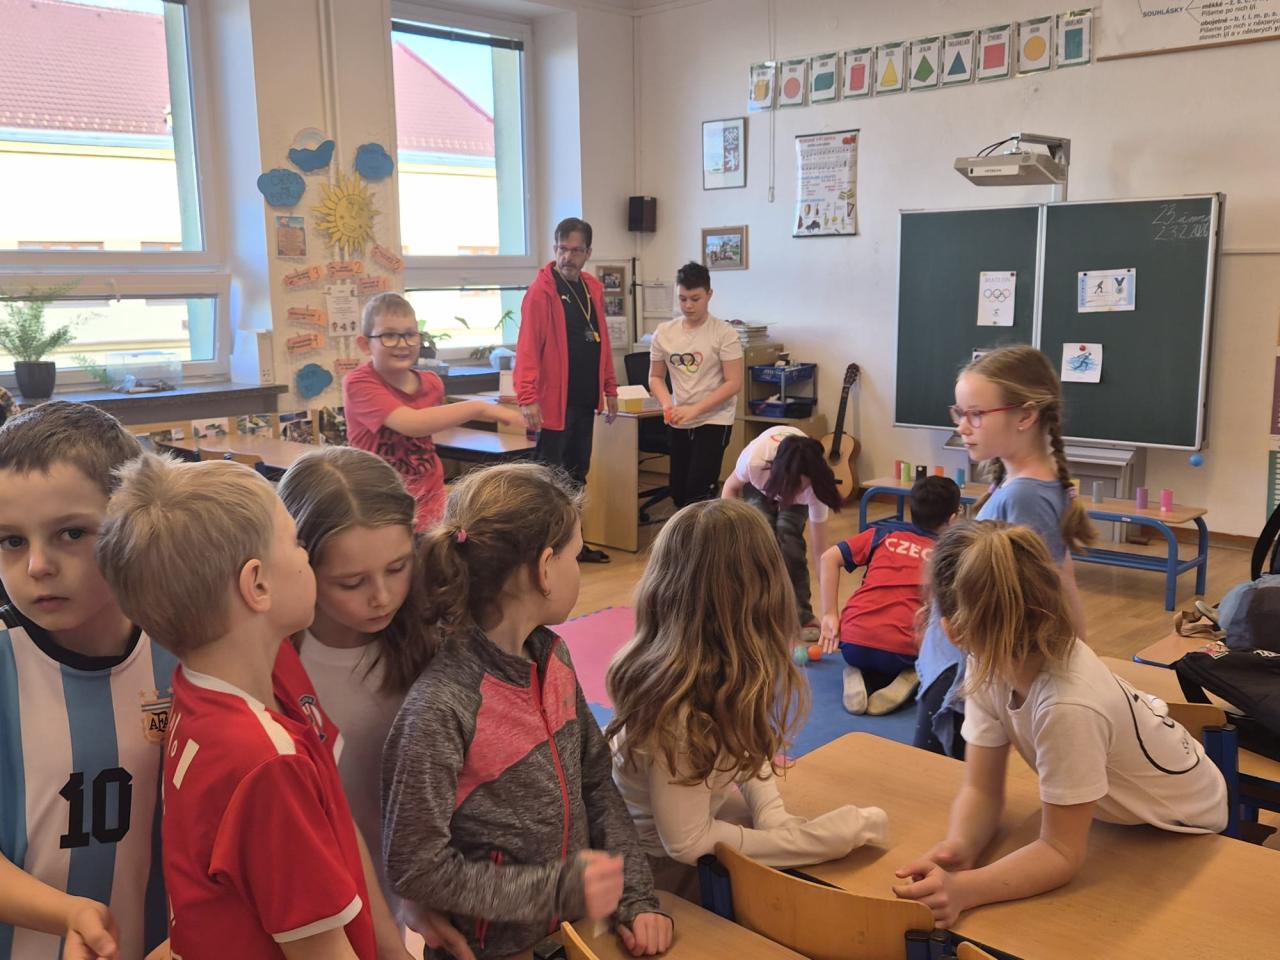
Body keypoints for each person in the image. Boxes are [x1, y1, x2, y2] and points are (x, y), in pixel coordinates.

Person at [97, 455, 410, 960]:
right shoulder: (267, 761)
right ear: (257, 584)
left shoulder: (210, 686)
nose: (306, 556)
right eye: (296, 542)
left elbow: (331, 815)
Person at [382, 463, 672, 960]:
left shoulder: (553, 658)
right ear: (544, 568)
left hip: (570, 937)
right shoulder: (443, 705)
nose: (578, 568)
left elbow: (596, 783)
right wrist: (558, 890)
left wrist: (636, 897)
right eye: (577, 554)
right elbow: (415, 866)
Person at [893, 520, 1227, 929]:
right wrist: (961, 845)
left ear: (953, 631)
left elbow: (1061, 853)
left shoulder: (1067, 705)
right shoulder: (988, 659)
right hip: (1120, 814)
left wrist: (966, 890)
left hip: (1183, 827)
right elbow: (981, 789)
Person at [606, 499, 889, 899]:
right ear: (765, 596)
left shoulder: (721, 672)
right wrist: (819, 841)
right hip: (651, 875)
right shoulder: (681, 710)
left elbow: (744, 741)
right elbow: (687, 844)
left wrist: (772, 813)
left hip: (682, 836)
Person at [0, 401, 174, 960]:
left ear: (132, 524)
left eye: (71, 533)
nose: (37, 566)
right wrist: (69, 913)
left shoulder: (187, 648)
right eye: (11, 541)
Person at [278, 448, 454, 937]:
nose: (381, 596)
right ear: (299, 565)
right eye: (351, 582)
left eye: (398, 568)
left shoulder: (432, 638)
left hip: (410, 884)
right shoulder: (274, 661)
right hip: (319, 898)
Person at [915, 345, 1095, 757]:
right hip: (957, 661)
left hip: (967, 673)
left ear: (1025, 416)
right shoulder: (1021, 484)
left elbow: (1044, 592)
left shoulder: (1025, 495)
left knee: (931, 780)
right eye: (959, 413)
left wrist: (1078, 667)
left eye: (976, 414)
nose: (963, 426)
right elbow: (1061, 573)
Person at [344, 292, 524, 532]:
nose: (402, 344)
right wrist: (480, 408)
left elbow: (433, 425)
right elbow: (413, 424)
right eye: (389, 335)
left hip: (430, 503)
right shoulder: (359, 383)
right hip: (379, 508)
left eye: (410, 334)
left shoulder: (431, 383)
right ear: (365, 344)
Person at [515, 217, 618, 563]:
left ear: (588, 252)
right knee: (548, 480)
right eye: (562, 249)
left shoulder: (592, 289)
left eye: (575, 250)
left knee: (576, 475)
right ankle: (543, 551)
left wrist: (610, 388)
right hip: (553, 405)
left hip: (584, 400)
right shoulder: (541, 292)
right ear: (554, 248)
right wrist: (527, 397)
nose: (568, 257)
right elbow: (528, 348)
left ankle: (573, 545)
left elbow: (602, 344)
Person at [818, 476, 960, 716]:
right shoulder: (948, 553)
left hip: (853, 641)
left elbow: (828, 558)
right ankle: (911, 674)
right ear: (953, 518)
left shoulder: (883, 533)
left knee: (870, 646)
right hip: (905, 650)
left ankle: (858, 670)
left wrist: (829, 614)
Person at [721, 426, 841, 641]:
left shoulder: (814, 486)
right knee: (761, 535)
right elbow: (730, 488)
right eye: (794, 486)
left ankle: (801, 615)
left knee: (789, 539)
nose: (796, 492)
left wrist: (829, 614)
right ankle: (756, 614)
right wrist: (731, 534)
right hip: (761, 487)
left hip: (783, 482)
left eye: (802, 487)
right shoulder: (755, 461)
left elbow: (821, 554)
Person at [648, 261, 743, 508]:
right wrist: (667, 404)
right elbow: (655, 377)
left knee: (698, 489)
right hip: (679, 417)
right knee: (678, 490)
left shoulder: (724, 333)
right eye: (682, 299)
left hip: (714, 418)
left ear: (709, 295)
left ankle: (704, 532)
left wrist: (695, 409)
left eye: (695, 299)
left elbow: (734, 382)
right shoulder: (663, 332)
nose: (688, 305)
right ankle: (684, 532)